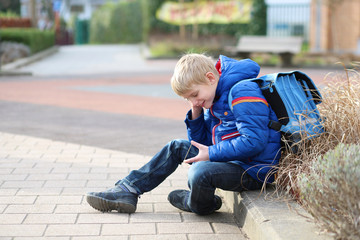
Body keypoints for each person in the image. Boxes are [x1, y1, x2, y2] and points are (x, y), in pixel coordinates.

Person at [86, 54, 281, 215]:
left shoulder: (242, 91)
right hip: (232, 160)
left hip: (252, 170)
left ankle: (198, 204)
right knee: (176, 147)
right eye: (188, 99)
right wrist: (196, 113)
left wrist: (211, 154)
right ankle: (128, 189)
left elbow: (254, 141)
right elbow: (201, 143)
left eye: (194, 95)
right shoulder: (213, 96)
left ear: (211, 78)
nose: (194, 101)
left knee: (200, 172)